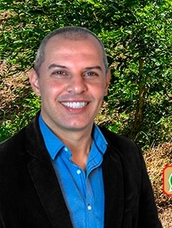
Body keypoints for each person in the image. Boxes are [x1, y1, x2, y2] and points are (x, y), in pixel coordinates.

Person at [0, 26, 162, 228]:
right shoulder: (4, 165)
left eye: (91, 73)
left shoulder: (128, 155)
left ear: (106, 82)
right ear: (36, 82)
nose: (77, 87)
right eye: (60, 72)